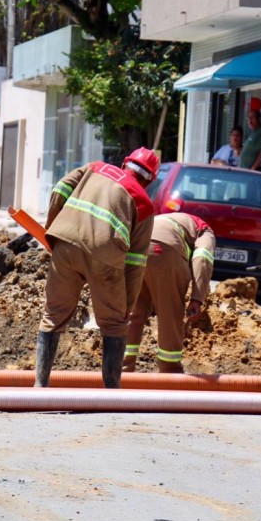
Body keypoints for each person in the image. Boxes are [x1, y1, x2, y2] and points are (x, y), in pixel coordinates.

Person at [35, 147, 160, 389]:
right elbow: (135, 262)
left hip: (66, 243)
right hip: (105, 257)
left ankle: (40, 385)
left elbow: (60, 188)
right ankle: (111, 393)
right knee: (113, 324)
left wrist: (52, 230)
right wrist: (126, 308)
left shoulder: (94, 168)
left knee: (53, 315)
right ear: (149, 180)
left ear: (125, 164)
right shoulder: (144, 203)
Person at [124, 213, 215, 374]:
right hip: (164, 251)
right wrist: (197, 299)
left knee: (133, 313)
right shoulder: (205, 231)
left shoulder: (167, 218)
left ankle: (121, 369)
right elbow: (202, 259)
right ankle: (170, 374)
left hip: (135, 246)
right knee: (169, 317)